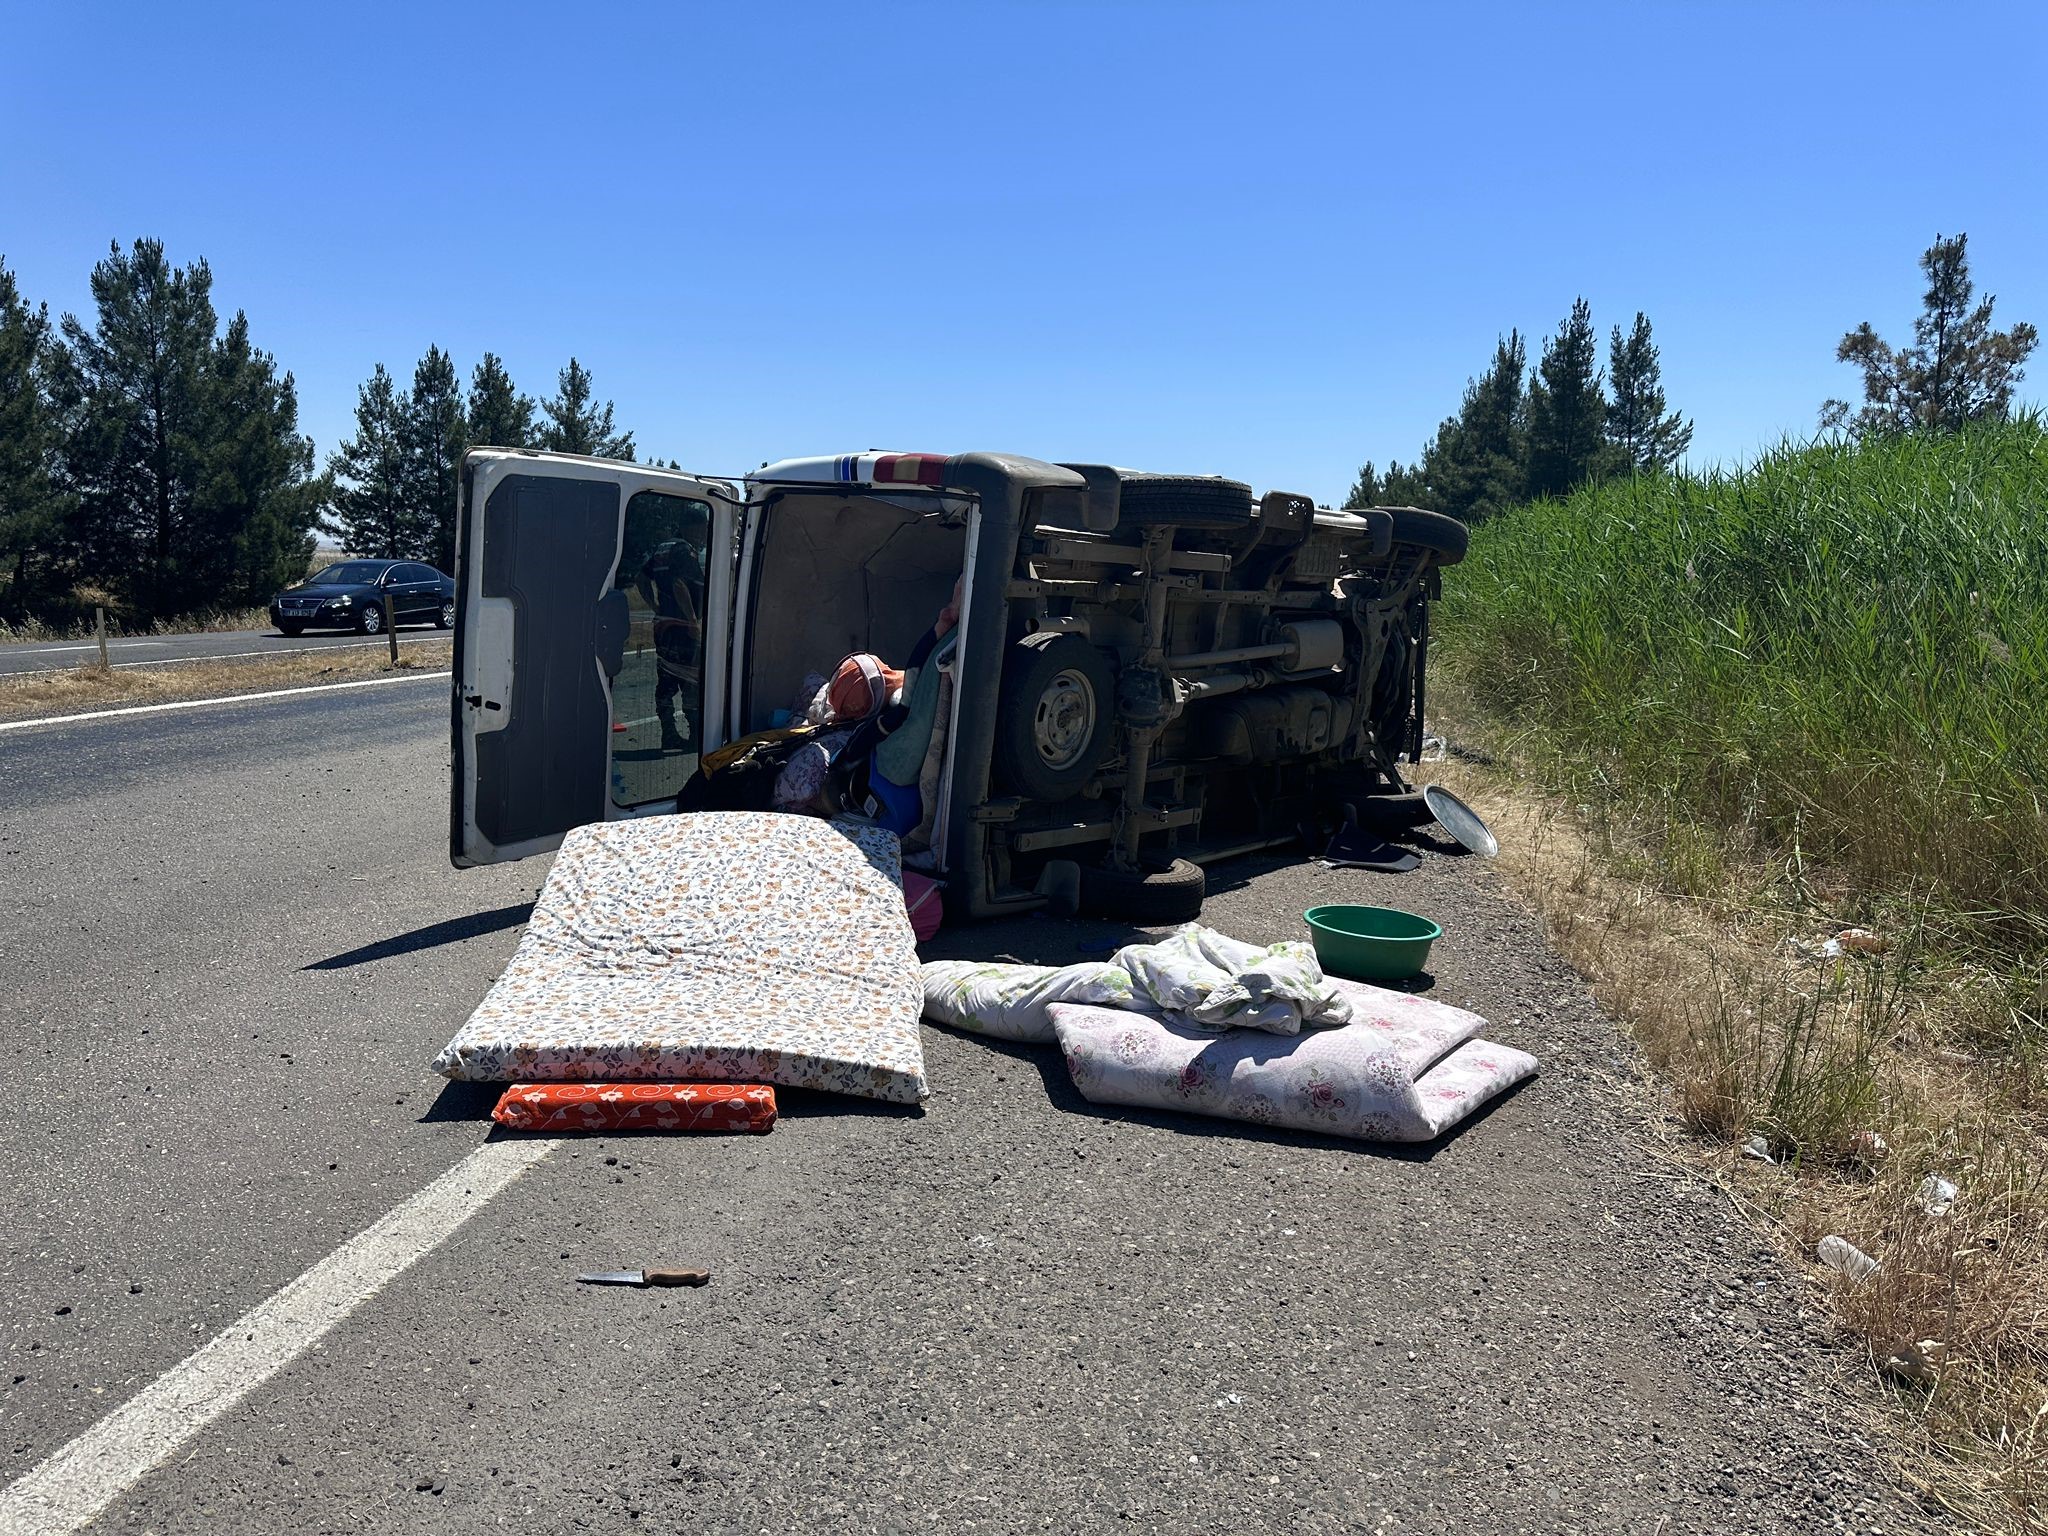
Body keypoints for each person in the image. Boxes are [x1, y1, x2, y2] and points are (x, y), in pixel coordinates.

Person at [636, 534, 704, 752]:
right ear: (694, 526)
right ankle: (695, 735)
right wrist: (692, 619)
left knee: (666, 682)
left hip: (665, 626)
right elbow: (678, 582)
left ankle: (669, 734)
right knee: (691, 680)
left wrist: (655, 607)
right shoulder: (684, 550)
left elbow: (641, 578)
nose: (704, 533)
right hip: (683, 627)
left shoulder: (662, 549)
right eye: (703, 527)